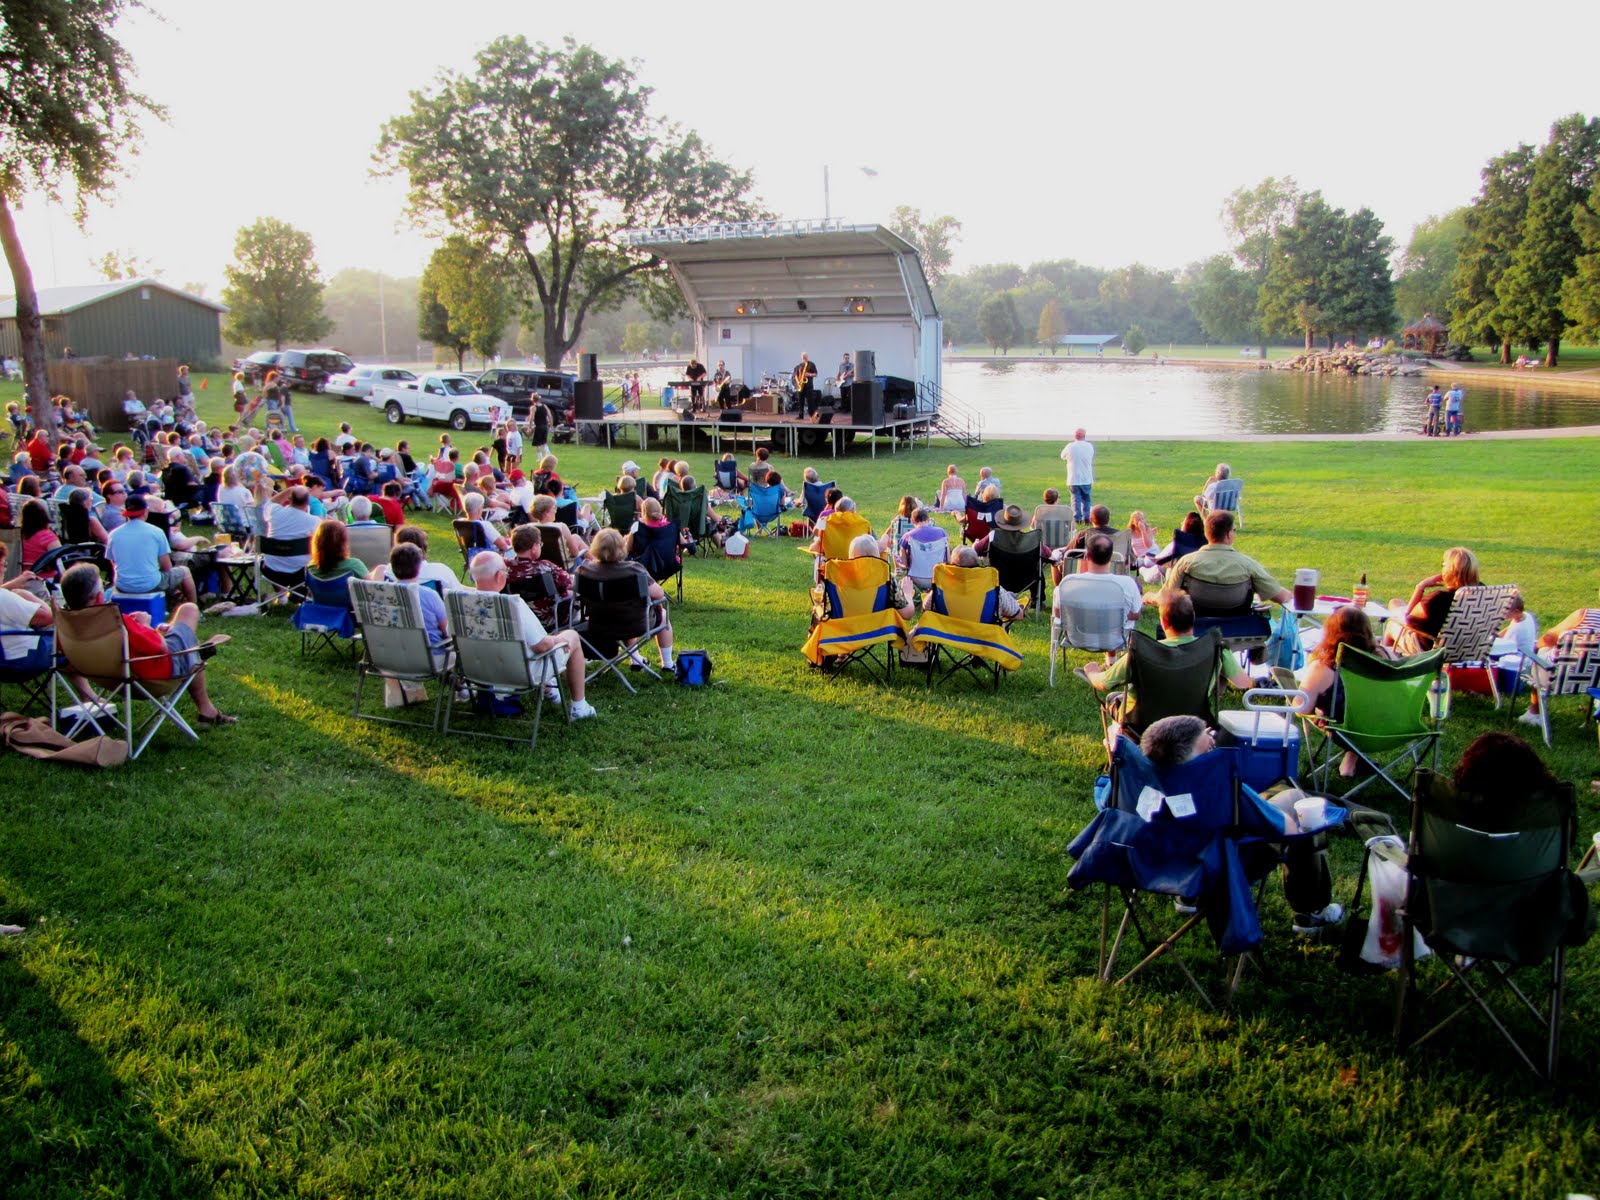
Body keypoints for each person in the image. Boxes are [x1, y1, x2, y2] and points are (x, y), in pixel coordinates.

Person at [1138, 713, 1344, 934]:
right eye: (1208, 749)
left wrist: (1199, 746)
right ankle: (1311, 910)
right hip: (1223, 868)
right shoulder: (1223, 789)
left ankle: (1189, 898)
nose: (1213, 748)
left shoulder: (1138, 782)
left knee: (1276, 795)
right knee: (1296, 804)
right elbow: (1287, 830)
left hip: (1162, 866)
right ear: (1196, 762)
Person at [58, 561, 236, 726]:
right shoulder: (117, 623)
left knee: (183, 639)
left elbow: (65, 658)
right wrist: (145, 626)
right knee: (188, 612)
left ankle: (207, 707)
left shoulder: (67, 626)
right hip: (150, 679)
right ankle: (207, 710)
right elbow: (161, 648)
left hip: (107, 680)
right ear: (98, 598)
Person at [468, 550, 594, 720]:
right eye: (505, 572)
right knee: (571, 636)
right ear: (499, 576)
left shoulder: (458, 601)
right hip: (518, 672)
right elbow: (541, 645)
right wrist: (558, 639)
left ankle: (551, 691)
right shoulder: (511, 604)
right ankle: (579, 707)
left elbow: (450, 636)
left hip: (475, 670)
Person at [1081, 589, 1253, 696]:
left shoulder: (1141, 651)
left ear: (1163, 622)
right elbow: (1244, 683)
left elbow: (1104, 683)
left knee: (1115, 701)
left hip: (1143, 725)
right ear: (1193, 620)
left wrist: (1092, 673)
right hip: (1193, 724)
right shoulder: (1217, 649)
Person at [578, 527, 675, 673]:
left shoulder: (585, 570)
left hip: (597, 625)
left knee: (624, 609)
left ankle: (635, 658)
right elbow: (658, 593)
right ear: (621, 547)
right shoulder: (635, 570)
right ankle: (667, 664)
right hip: (634, 624)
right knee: (661, 615)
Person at [1159, 510, 1292, 608]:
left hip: (1196, 624)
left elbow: (1166, 596)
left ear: (1207, 533)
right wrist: (1293, 595)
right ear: (1229, 534)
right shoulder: (1247, 564)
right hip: (1238, 624)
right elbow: (1280, 596)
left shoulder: (1186, 562)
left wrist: (1148, 597)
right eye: (1234, 530)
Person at [1385, 546, 1479, 656]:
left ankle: (1384, 662)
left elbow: (1408, 620)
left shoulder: (1438, 599)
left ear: (1449, 571)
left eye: (1443, 565)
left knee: (1392, 622)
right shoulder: (1481, 593)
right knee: (1396, 602)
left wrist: (1420, 587)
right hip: (1467, 648)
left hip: (1430, 650)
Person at [105, 495, 198, 604]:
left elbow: (113, 563)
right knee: (184, 571)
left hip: (123, 585)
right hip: (150, 585)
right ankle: (193, 607)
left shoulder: (113, 534)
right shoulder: (156, 532)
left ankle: (175, 595)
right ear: (145, 511)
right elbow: (167, 567)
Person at [1053, 533, 1142, 630]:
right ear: (1111, 556)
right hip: (1114, 640)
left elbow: (1058, 613)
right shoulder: (1127, 583)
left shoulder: (1069, 582)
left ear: (1087, 556)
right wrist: (1116, 617)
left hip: (1077, 637)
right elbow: (1136, 614)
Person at [505, 522, 573, 629]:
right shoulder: (544, 567)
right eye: (540, 544)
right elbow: (568, 582)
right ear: (534, 548)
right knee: (572, 592)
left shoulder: (504, 567)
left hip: (519, 620)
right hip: (548, 620)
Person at [1059, 428, 1095, 523]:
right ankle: (1087, 518)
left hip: (1073, 478)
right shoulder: (1089, 446)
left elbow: (1062, 456)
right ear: (1084, 436)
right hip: (1086, 478)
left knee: (1075, 499)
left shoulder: (1070, 446)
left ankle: (1077, 518)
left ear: (1075, 436)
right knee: (1086, 499)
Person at [792, 352, 818, 416]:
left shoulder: (811, 364)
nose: (804, 358)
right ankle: (801, 415)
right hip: (801, 385)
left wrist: (808, 374)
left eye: (805, 356)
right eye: (803, 357)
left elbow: (815, 374)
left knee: (810, 401)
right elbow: (795, 375)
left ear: (807, 356)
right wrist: (798, 382)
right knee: (801, 401)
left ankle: (811, 415)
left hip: (809, 385)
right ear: (801, 357)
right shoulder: (799, 365)